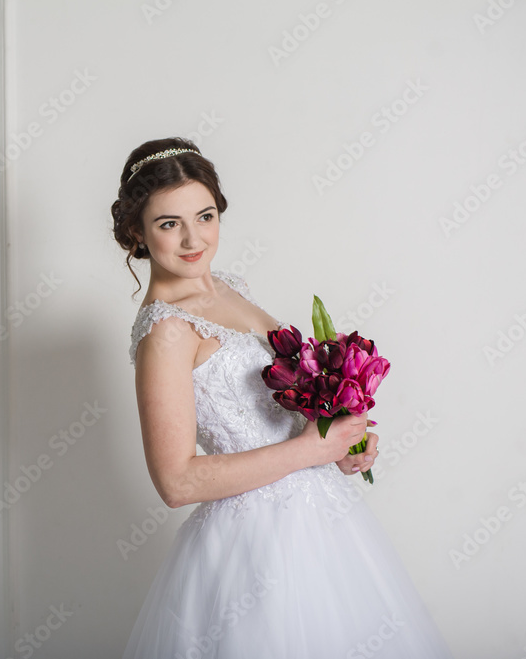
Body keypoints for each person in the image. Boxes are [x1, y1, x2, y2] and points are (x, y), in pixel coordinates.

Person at [111, 137, 454, 658]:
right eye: (168, 224)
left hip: (324, 518)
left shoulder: (229, 286)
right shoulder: (167, 332)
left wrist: (339, 440)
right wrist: (312, 449)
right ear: (136, 230)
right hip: (255, 543)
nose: (191, 239)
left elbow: (277, 409)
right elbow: (176, 482)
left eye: (204, 216)